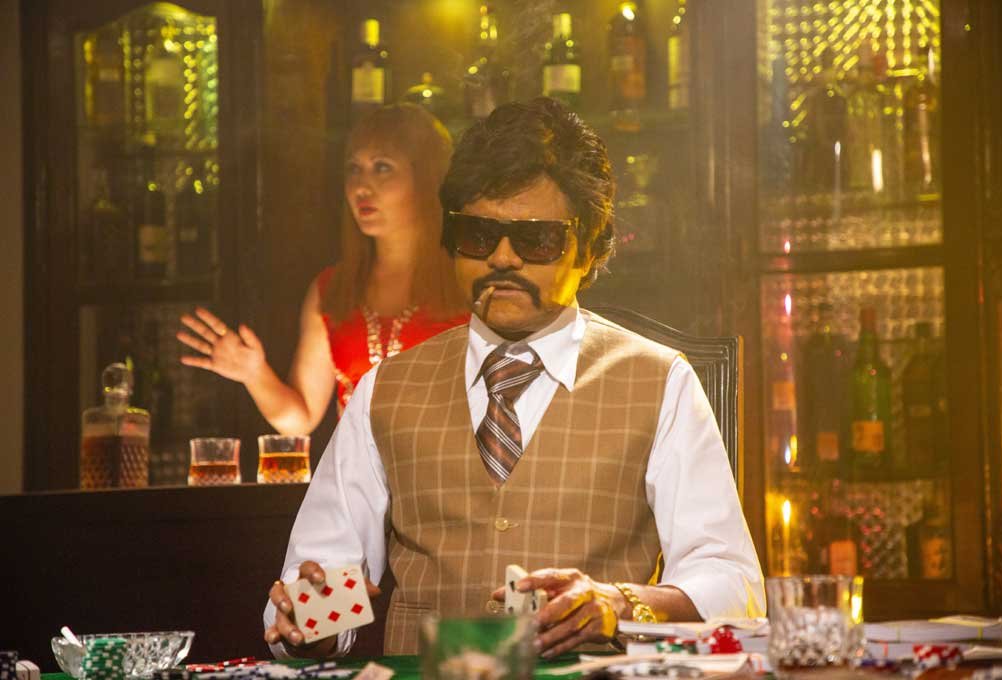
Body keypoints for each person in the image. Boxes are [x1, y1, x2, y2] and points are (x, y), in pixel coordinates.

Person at [263, 97, 765, 659]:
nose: (502, 258)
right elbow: (314, 587)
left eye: (536, 240)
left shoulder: (659, 382)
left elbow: (733, 585)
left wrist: (619, 604)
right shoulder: (384, 391)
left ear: (589, 249)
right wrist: (307, 622)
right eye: (479, 235)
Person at [176, 104, 469, 433]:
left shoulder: (469, 282)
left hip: (445, 465)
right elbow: (300, 417)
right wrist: (254, 373)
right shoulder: (333, 288)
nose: (361, 186)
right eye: (353, 169)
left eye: (382, 168)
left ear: (427, 179)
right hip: (356, 466)